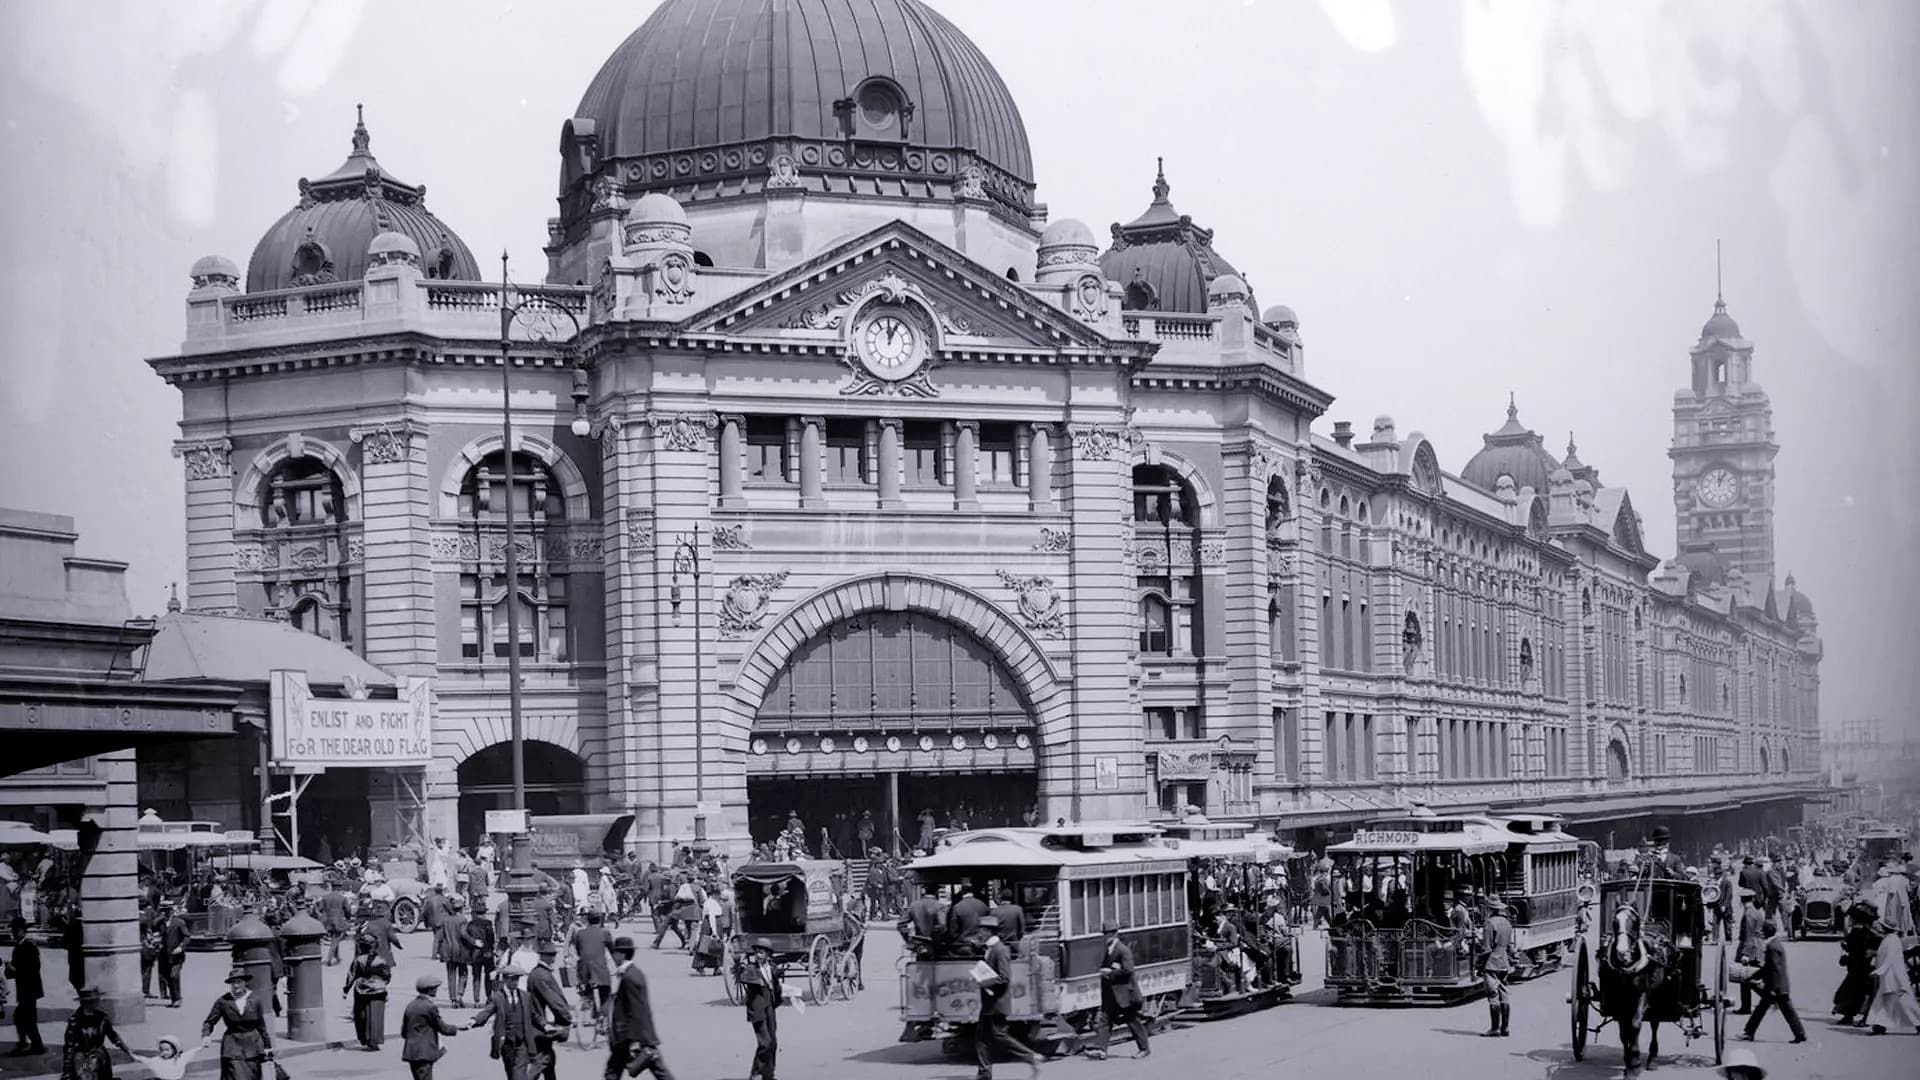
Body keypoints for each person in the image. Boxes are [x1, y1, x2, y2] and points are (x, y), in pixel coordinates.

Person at [972, 917, 1042, 1080]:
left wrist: (983, 982)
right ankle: (984, 1074)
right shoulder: (989, 948)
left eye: (981, 930)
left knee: (999, 1036)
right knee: (981, 1038)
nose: (979, 933)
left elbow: (1004, 977)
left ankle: (1031, 1056)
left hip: (997, 1003)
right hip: (990, 1003)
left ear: (989, 931)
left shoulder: (1000, 950)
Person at [607, 936, 673, 1078]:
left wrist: (635, 1040)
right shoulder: (629, 973)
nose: (612, 956)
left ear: (622, 954)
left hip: (634, 1036)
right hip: (629, 1036)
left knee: (659, 1071)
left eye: (614, 953)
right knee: (612, 1072)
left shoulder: (630, 977)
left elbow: (637, 1010)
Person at [469, 961, 545, 1080]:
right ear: (505, 980)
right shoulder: (498, 997)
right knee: (511, 1072)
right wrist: (473, 1021)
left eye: (517, 979)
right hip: (506, 1043)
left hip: (522, 1042)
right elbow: (487, 1012)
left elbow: (534, 1015)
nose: (515, 982)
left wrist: (545, 1025)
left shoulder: (525, 997)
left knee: (519, 1074)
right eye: (512, 979)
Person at [1087, 921, 1149, 1060]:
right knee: (1105, 1021)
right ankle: (1101, 1050)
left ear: (1115, 933)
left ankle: (1144, 1049)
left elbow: (1128, 970)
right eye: (1104, 934)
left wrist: (1109, 973)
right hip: (1112, 994)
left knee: (1133, 1021)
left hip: (1124, 994)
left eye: (1108, 933)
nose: (1105, 936)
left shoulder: (1123, 950)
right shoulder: (1109, 949)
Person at [1738, 919, 1806, 1044]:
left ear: (1767, 932)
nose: (1762, 933)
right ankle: (1800, 1033)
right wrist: (1756, 976)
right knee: (1785, 1010)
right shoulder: (1776, 943)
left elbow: (1773, 968)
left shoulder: (1772, 946)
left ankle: (1749, 1033)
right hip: (1780, 985)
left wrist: (1756, 978)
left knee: (1763, 1010)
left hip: (1775, 986)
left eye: (1763, 931)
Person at [202, 968, 274, 1080]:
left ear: (245, 982)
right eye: (233, 982)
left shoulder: (255, 1000)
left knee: (253, 1076)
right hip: (232, 1045)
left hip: (253, 1045)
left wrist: (267, 1046)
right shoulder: (223, 1001)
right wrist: (206, 1035)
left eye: (239, 982)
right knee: (236, 1075)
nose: (236, 985)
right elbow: (210, 1021)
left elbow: (261, 1025)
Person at [58, 986, 131, 1080]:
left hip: (99, 1056)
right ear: (85, 1002)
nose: (97, 1003)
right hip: (82, 1058)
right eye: (93, 1001)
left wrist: (127, 1049)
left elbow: (113, 1036)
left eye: (96, 1000)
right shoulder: (75, 1021)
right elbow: (69, 1047)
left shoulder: (102, 1018)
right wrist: (66, 1071)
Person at [1865, 916, 1920, 1034]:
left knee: (1904, 1002)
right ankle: (1880, 1025)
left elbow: (1889, 959)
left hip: (1894, 977)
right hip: (1890, 977)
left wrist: (1879, 971)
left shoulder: (1892, 941)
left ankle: (1881, 1025)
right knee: (1887, 1001)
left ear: (1886, 928)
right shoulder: (1889, 939)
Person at [402, 973, 462, 1080]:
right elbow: (443, 1028)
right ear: (430, 990)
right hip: (424, 1052)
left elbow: (404, 1031)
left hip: (411, 1051)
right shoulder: (429, 1007)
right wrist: (457, 1028)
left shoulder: (410, 1005)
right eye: (435, 988)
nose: (436, 990)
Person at [526, 944, 571, 1080]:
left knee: (549, 1061)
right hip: (542, 1026)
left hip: (539, 1024)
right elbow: (554, 1000)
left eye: (554, 954)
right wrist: (567, 1016)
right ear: (544, 956)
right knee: (542, 1060)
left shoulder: (538, 972)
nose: (554, 957)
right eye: (551, 955)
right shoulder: (542, 976)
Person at [345, 933, 392, 1051]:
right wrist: (383, 984)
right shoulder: (381, 960)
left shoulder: (358, 960)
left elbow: (351, 976)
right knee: (376, 1016)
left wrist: (346, 989)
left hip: (361, 989)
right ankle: (375, 1039)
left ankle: (364, 1038)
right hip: (378, 989)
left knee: (361, 1015)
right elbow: (387, 976)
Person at [1834, 903, 1880, 1025]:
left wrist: (1845, 947)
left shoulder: (1857, 932)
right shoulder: (1869, 932)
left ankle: (1851, 1017)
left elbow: (1852, 948)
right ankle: (1855, 1017)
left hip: (1857, 967)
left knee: (1852, 993)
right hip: (1863, 966)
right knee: (1858, 993)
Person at [7, 915, 44, 1056]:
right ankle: (34, 1044)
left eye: (15, 930)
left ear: (22, 931)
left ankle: (31, 1044)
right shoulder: (18, 947)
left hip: (30, 988)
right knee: (25, 1017)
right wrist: (9, 969)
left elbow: (33, 969)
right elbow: (13, 972)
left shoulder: (29, 947)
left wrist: (14, 969)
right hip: (24, 988)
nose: (13, 933)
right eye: (13, 930)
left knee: (25, 1016)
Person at [1480, 895, 1515, 1038]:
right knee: (1504, 993)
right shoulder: (1507, 923)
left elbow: (1486, 948)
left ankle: (1495, 1028)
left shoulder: (1489, 923)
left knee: (1493, 995)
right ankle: (1505, 1028)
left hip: (1492, 963)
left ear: (1490, 909)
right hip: (1504, 961)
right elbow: (1510, 945)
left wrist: (1480, 963)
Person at [571, 910, 615, 1019]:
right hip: (599, 968)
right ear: (600, 920)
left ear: (587, 920)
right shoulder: (604, 933)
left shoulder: (580, 933)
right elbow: (612, 950)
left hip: (583, 969)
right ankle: (603, 1017)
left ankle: (588, 1002)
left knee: (586, 988)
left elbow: (578, 950)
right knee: (606, 991)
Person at [439, 895, 473, 1007]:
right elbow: (464, 934)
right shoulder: (462, 919)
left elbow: (440, 937)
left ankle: (453, 999)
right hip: (460, 949)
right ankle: (459, 995)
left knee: (451, 974)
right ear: (461, 908)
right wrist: (473, 942)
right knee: (463, 973)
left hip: (448, 950)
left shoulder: (445, 920)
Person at [463, 900, 498, 1002]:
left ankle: (476, 1000)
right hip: (487, 953)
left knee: (476, 976)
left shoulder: (470, 924)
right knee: (488, 976)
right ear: (484, 913)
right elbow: (491, 937)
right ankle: (489, 997)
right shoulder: (488, 923)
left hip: (475, 953)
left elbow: (467, 940)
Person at [159, 900, 189, 1008]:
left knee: (174, 976)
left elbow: (186, 937)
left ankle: (178, 999)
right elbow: (160, 934)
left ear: (172, 911)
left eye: (167, 910)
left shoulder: (179, 922)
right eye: (163, 911)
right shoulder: (161, 923)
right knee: (167, 977)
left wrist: (180, 947)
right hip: (165, 955)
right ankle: (174, 998)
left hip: (177, 955)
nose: (165, 913)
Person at [319, 879, 354, 966]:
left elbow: (320, 909)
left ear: (332, 887)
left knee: (335, 939)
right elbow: (348, 910)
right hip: (338, 921)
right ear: (339, 887)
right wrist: (348, 918)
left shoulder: (325, 897)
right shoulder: (342, 898)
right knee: (336, 939)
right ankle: (329, 958)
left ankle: (337, 957)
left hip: (327, 921)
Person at [421, 883, 450, 963]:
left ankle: (440, 954)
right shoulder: (444, 899)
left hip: (432, 921)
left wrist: (426, 921)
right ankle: (435, 954)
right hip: (441, 921)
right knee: (439, 938)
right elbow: (450, 909)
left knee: (437, 935)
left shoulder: (429, 900)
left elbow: (424, 911)